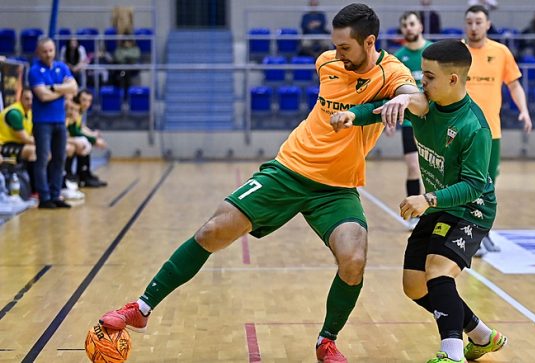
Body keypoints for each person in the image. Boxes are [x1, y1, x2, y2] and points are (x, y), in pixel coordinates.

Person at [99, 4, 418, 362]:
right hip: (289, 169)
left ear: (369, 41)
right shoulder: (327, 62)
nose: (338, 55)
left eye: (346, 48)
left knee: (354, 259)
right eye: (336, 46)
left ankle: (326, 341)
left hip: (337, 187)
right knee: (211, 232)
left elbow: (413, 94)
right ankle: (141, 307)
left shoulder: (391, 70)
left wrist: (404, 96)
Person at [330, 39, 507, 363]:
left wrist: (428, 198)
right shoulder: (424, 104)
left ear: (453, 79)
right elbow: (384, 106)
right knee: (414, 286)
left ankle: (450, 353)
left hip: (471, 209)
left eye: (428, 76)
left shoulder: (473, 127)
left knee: (438, 273)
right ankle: (481, 335)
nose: (420, 81)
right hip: (439, 205)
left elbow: (473, 185)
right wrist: (353, 115)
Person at [464, 5, 532, 255]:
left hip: (491, 132)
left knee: (488, 186)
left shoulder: (501, 52)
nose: (474, 27)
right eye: (469, 22)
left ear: (488, 24)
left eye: (478, 22)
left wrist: (523, 110)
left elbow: (514, 86)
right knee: (469, 183)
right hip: (464, 133)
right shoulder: (458, 53)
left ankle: (483, 232)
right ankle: (469, 235)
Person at [393, 11, 433, 230]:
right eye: (405, 25)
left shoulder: (432, 51)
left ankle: (436, 209)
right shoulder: (399, 56)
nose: (409, 28)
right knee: (413, 167)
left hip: (433, 121)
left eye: (412, 23)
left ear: (420, 27)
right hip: (410, 121)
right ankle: (413, 214)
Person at [28, 38, 79, 209]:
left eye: (51, 50)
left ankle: (56, 194)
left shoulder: (62, 67)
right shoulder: (35, 71)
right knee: (43, 159)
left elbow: (74, 87)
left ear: (55, 50)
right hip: (42, 122)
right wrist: (62, 90)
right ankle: (44, 196)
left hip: (59, 121)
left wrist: (53, 88)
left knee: (59, 158)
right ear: (38, 52)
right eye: (45, 51)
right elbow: (42, 96)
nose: (48, 54)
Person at [0, 88, 37, 193]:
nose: (30, 102)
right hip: (4, 146)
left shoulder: (30, 112)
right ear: (20, 99)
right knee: (33, 151)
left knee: (46, 152)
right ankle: (34, 190)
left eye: (32, 99)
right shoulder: (14, 113)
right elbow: (25, 138)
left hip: (17, 144)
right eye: (27, 99)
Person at [68, 90, 107, 187]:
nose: (86, 104)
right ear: (77, 99)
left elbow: (80, 127)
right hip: (66, 138)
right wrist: (93, 139)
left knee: (86, 142)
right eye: (84, 100)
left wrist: (93, 134)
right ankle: (80, 175)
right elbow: (73, 130)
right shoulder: (74, 109)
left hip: (69, 138)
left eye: (89, 101)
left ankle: (85, 174)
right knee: (84, 143)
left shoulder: (80, 111)